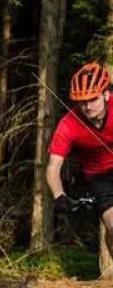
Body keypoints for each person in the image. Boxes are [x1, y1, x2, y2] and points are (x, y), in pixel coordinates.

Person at [47, 62, 113, 255]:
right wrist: (59, 196)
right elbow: (53, 168)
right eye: (82, 101)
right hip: (100, 177)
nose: (87, 106)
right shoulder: (68, 125)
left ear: (106, 94)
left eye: (93, 99)